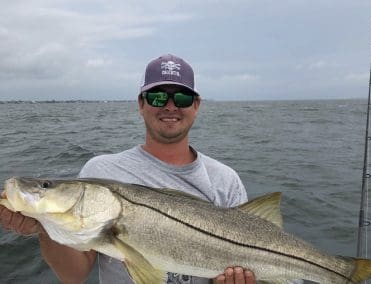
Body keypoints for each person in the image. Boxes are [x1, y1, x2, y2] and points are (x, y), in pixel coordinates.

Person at [0, 54, 256, 284]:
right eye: (157, 96)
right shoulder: (101, 169)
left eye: (181, 97)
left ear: (196, 105)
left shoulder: (225, 180)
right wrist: (43, 228)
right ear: (141, 104)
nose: (170, 106)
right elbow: (73, 275)